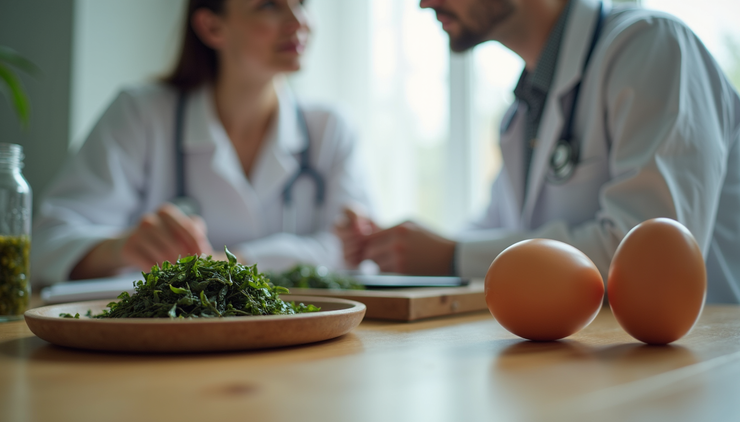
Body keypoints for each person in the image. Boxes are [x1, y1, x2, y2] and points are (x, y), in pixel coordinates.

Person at [336, 0, 740, 303]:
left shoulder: (652, 45)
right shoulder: (522, 111)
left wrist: (452, 257)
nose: (423, 3)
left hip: (697, 375)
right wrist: (392, 246)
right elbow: (495, 232)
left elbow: (651, 263)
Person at [31, 0, 372, 285]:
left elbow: (362, 253)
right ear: (212, 27)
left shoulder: (330, 128)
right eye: (269, 5)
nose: (299, 20)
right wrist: (124, 248)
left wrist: (227, 262)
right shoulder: (140, 113)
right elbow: (45, 246)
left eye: (302, 2)